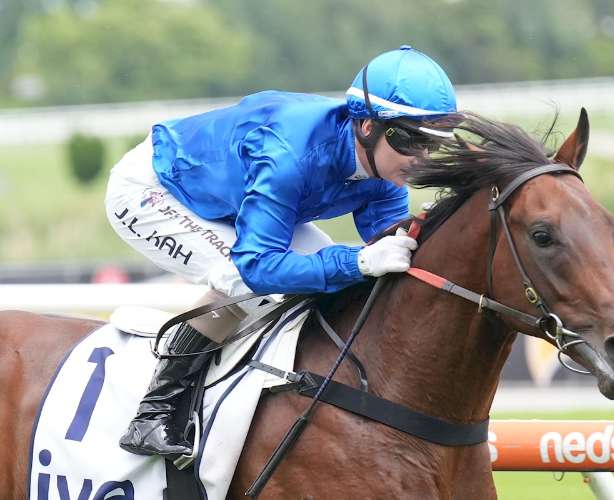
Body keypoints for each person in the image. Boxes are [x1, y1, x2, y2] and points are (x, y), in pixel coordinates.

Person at [104, 45, 458, 459]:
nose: (420, 159)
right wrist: (358, 261)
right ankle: (154, 412)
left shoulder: (384, 171)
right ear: (367, 127)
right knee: (245, 283)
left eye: (432, 144)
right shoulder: (289, 155)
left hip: (231, 197)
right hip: (154, 189)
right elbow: (258, 266)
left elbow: (388, 248)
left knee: (333, 284)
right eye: (411, 140)